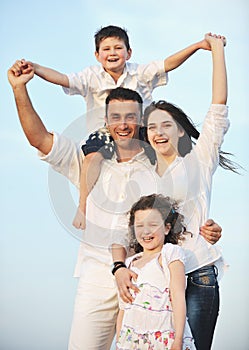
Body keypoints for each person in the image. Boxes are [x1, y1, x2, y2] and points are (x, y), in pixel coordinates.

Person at [8, 64, 222, 348]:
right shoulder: (88, 163)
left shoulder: (157, 168)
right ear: (105, 121)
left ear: (140, 121)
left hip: (148, 279)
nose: (123, 124)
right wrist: (19, 88)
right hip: (96, 276)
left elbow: (187, 209)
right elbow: (40, 139)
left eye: (131, 117)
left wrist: (211, 229)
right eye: (115, 117)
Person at [17, 25, 215, 230]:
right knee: (92, 157)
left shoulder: (140, 72)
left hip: (140, 130)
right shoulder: (90, 76)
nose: (112, 53)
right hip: (104, 131)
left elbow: (168, 63)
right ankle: (82, 206)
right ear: (97, 55)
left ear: (129, 53)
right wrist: (35, 68)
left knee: (165, 163)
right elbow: (63, 79)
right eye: (107, 49)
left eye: (118, 48)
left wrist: (198, 46)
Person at [113, 33, 236, 350]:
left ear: (179, 129)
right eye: (151, 127)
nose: (157, 132)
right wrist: (121, 269)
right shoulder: (141, 175)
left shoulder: (199, 159)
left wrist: (216, 51)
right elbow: (129, 229)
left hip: (197, 273)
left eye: (165, 124)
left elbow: (218, 107)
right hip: (154, 276)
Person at [116, 194, 196, 350]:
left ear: (167, 228)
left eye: (153, 225)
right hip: (134, 343)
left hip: (165, 340)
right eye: (139, 226)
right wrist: (120, 342)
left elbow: (178, 296)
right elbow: (123, 309)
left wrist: (178, 340)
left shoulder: (170, 253)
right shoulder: (129, 263)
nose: (146, 231)